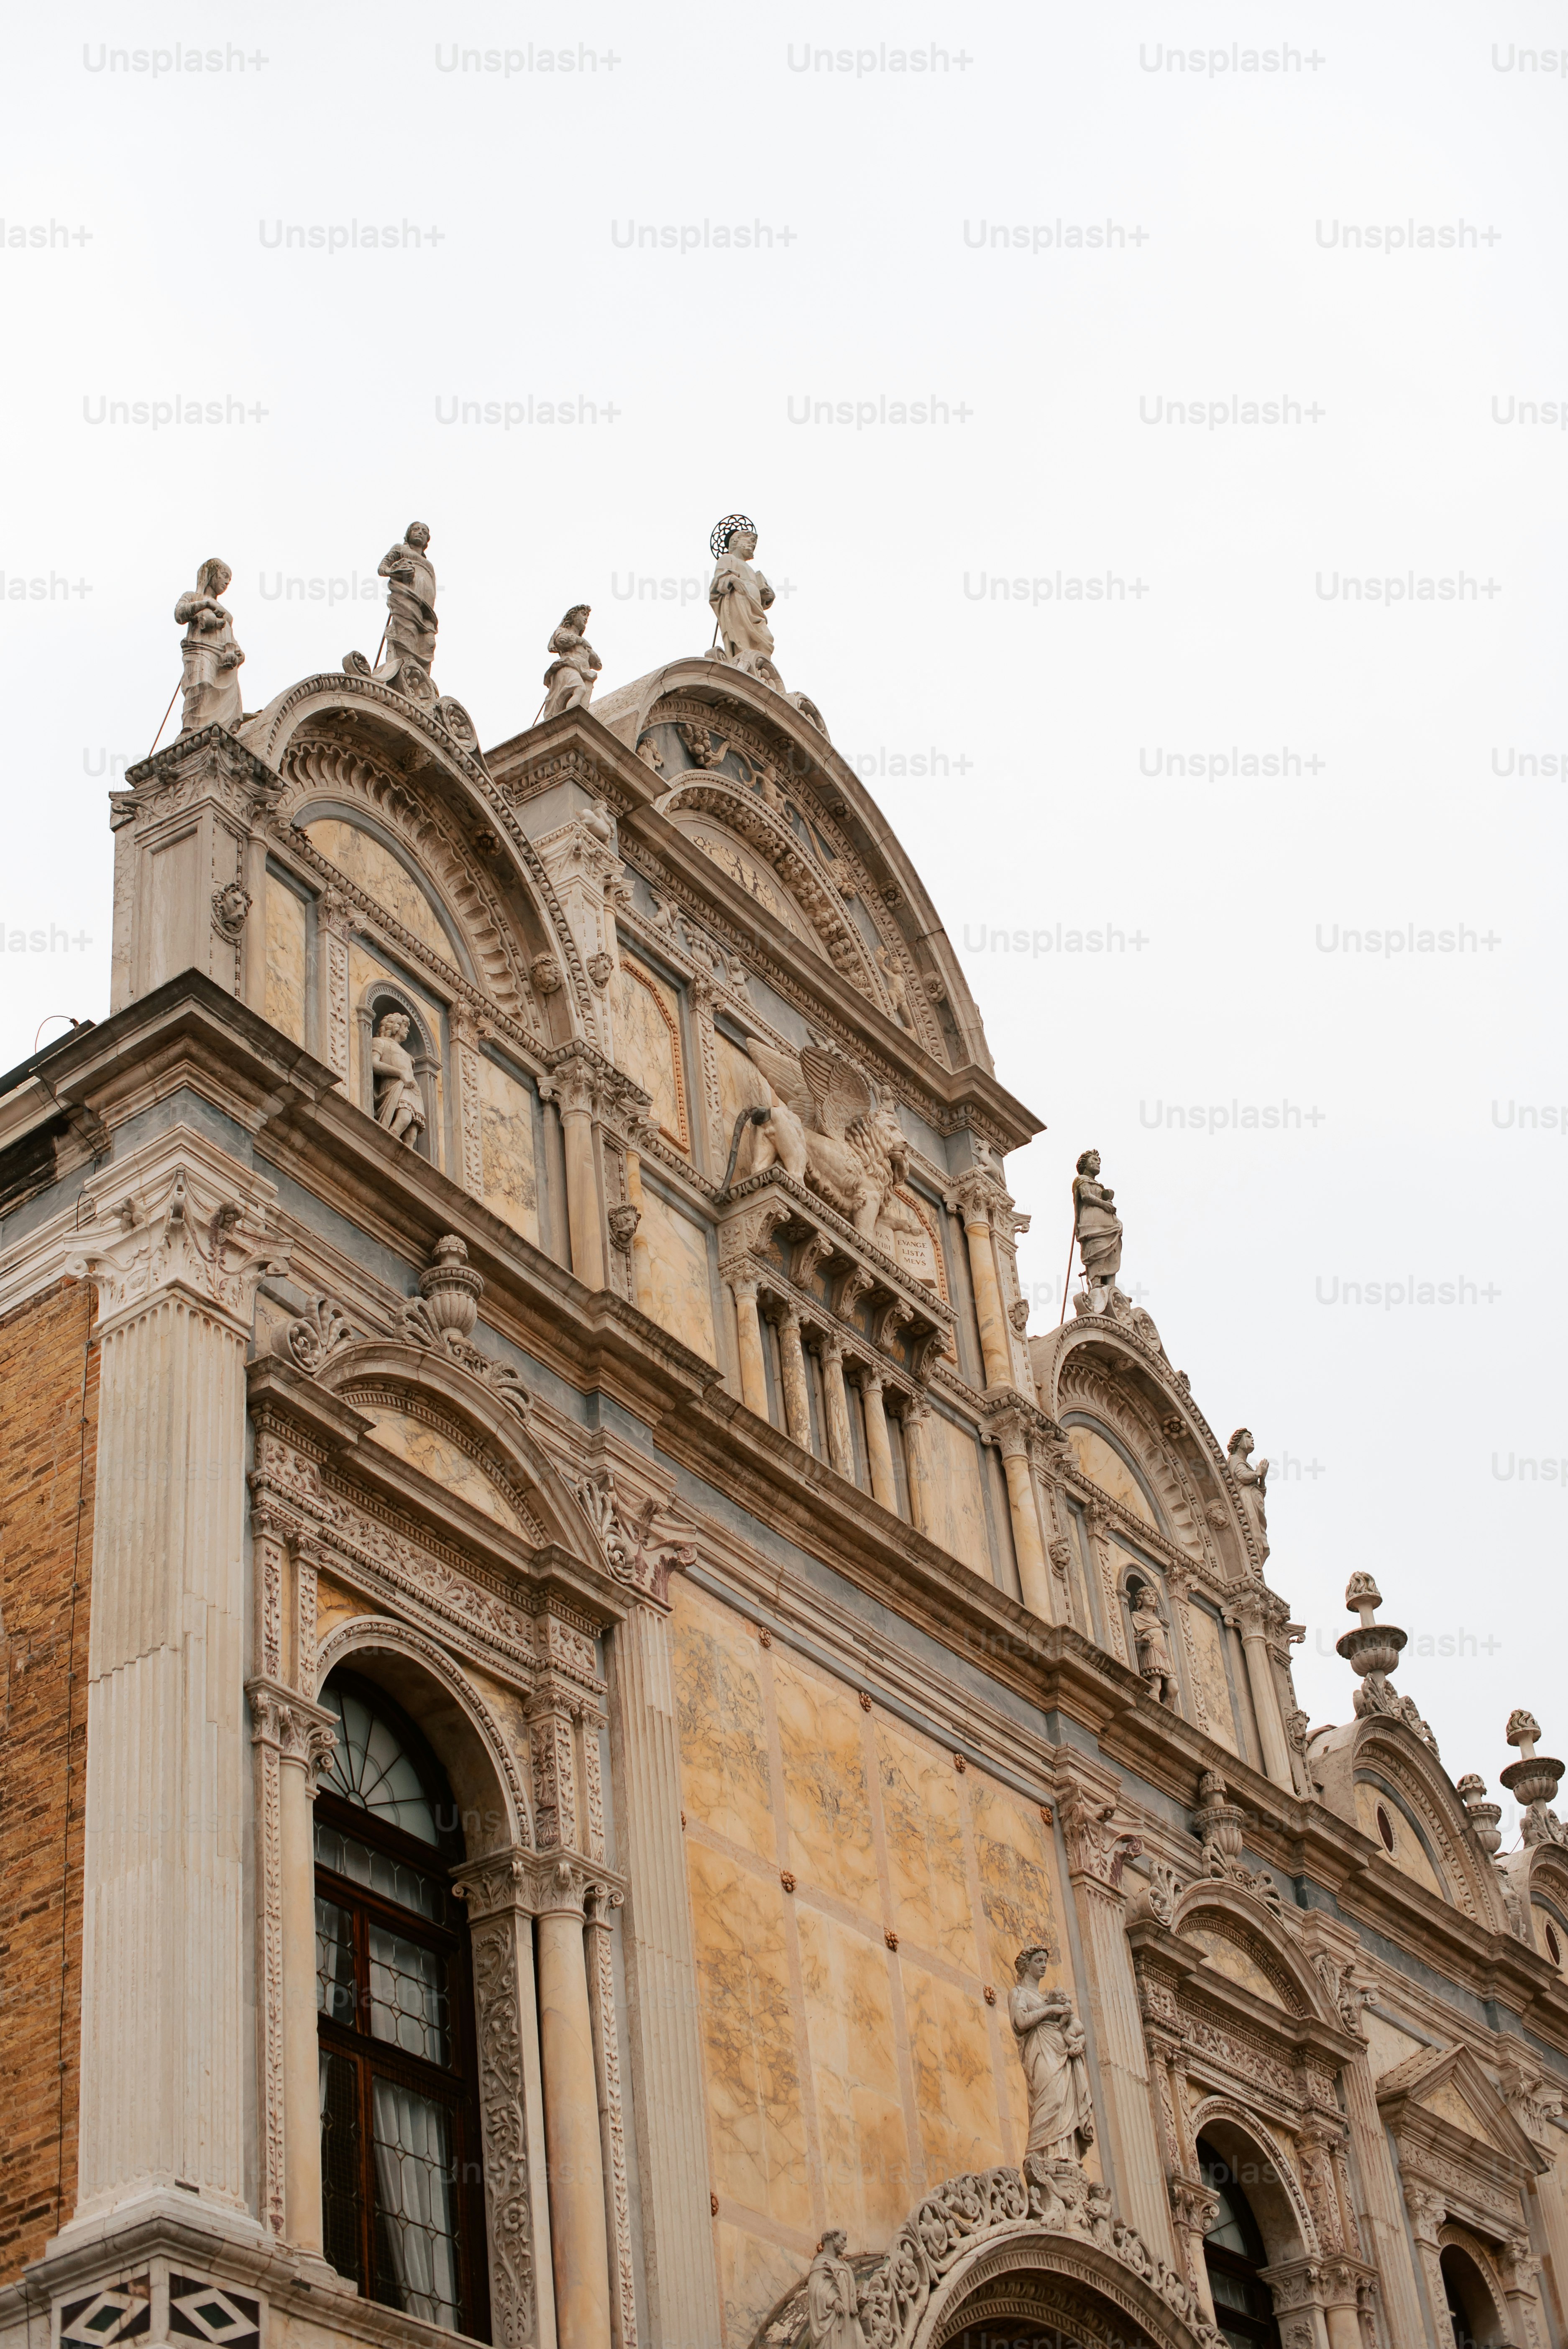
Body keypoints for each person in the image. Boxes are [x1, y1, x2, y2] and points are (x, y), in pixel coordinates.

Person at [1009, 1948, 1095, 2161]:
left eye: (1046, 1961)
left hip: (1061, 2054)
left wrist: (1079, 2044)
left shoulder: (1047, 1998)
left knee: (1065, 2104)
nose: (1044, 1965)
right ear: (1026, 1965)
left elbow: (1077, 2028)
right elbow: (1021, 2022)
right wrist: (1050, 2011)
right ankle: (1040, 2154)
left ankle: (1065, 2155)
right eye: (1038, 1961)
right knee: (1052, 2099)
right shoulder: (1018, 1994)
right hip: (1040, 2053)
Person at [174, 558, 246, 734]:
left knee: (230, 701)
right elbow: (179, 615)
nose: (227, 582)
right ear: (212, 574)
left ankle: (223, 734)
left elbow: (230, 637)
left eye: (230, 579)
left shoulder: (225, 613)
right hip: (200, 650)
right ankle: (192, 734)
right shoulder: (193, 597)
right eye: (224, 575)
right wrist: (206, 604)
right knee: (202, 685)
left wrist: (238, 653)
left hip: (224, 661)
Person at [709, 517, 779, 678]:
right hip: (737, 602)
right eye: (749, 543)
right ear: (736, 541)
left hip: (754, 607)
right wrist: (733, 580)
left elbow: (764, 598)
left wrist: (767, 597)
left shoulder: (754, 571)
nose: (752, 547)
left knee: (766, 638)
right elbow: (718, 581)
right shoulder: (728, 559)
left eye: (754, 545)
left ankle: (760, 670)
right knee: (741, 637)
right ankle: (745, 667)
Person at [377, 522, 439, 695]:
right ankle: (404, 673)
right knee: (407, 633)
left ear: (427, 539)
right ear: (409, 534)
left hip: (426, 610)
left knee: (428, 643)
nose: (420, 533)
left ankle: (418, 680)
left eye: (424, 532)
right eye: (416, 530)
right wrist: (395, 572)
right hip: (405, 596)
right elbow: (382, 568)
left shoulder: (429, 565)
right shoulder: (399, 549)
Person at [1072, 1149, 1124, 1303]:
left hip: (1109, 1226)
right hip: (1092, 1225)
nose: (1098, 1163)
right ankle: (1096, 1286)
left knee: (1112, 1253)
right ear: (1085, 1164)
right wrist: (1104, 1205)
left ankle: (1112, 1290)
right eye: (1094, 1160)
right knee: (1097, 1250)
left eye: (1099, 1161)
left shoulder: (1099, 1186)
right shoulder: (1081, 1179)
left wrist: (1117, 1221)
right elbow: (1086, 1197)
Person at [371, 1011, 426, 1143]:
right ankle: (385, 1145)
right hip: (396, 1086)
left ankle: (404, 1159)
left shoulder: (407, 1054)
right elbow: (374, 1064)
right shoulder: (380, 1042)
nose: (408, 1031)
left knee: (412, 1134)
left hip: (412, 1090)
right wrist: (400, 1073)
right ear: (396, 1026)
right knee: (404, 1119)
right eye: (405, 1027)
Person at [806, 2229, 865, 2349]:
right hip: (833, 2322)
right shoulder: (820, 2264)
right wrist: (834, 2300)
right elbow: (815, 2291)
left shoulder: (845, 2265)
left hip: (848, 2322)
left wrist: (857, 2298)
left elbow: (846, 2291)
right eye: (843, 2240)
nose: (846, 2245)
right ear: (833, 2239)